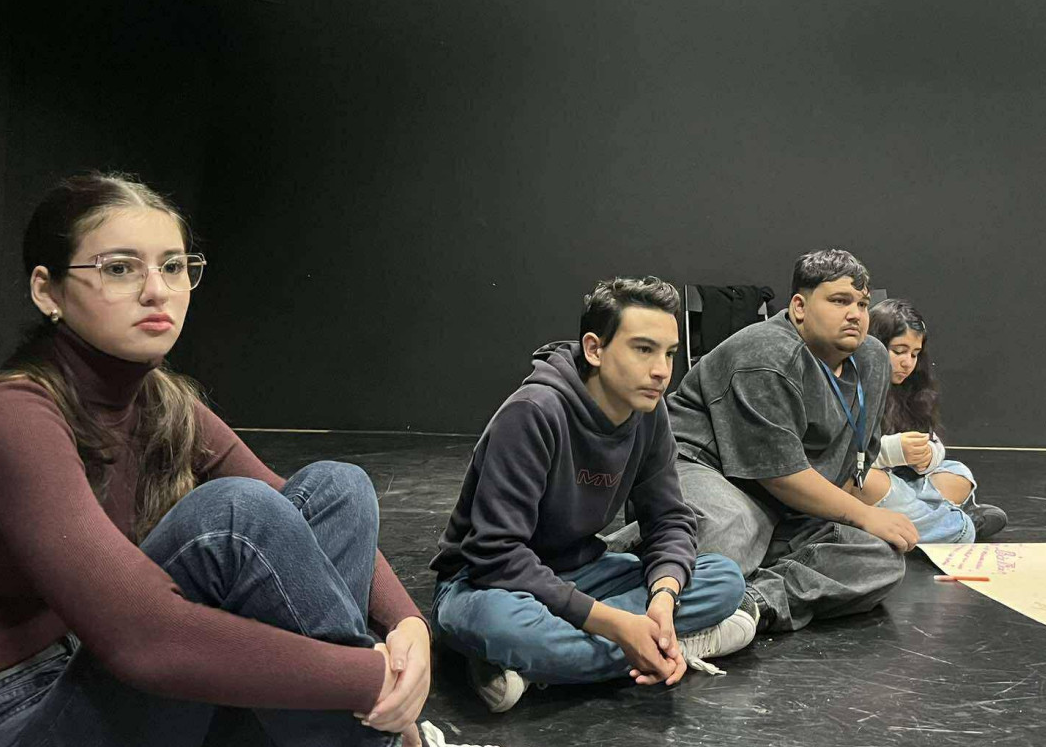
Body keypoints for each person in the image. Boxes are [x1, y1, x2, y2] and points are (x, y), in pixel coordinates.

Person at [0, 173, 548, 747]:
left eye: (173, 266)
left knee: (336, 489)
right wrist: (371, 676)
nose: (157, 289)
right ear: (47, 290)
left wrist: (408, 624)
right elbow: (141, 640)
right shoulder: (10, 419)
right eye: (120, 268)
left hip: (117, 716)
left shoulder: (157, 400)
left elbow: (301, 513)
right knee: (235, 516)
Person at [430, 277, 755, 713]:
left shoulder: (649, 412)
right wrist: (615, 624)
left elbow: (669, 519)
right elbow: (495, 554)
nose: (662, 371)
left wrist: (664, 596)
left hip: (582, 572)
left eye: (669, 353)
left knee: (724, 579)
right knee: (500, 624)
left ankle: (535, 667)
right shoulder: (532, 413)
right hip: (486, 585)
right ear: (594, 349)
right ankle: (669, 646)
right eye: (644, 349)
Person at [652, 249, 918, 634]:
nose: (855, 314)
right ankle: (653, 573)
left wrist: (861, 521)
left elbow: (853, 462)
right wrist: (865, 515)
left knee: (879, 558)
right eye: (839, 301)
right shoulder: (765, 353)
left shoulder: (873, 359)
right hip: (703, 468)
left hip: (781, 507)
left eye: (862, 304)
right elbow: (779, 475)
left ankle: (751, 606)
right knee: (734, 527)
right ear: (799, 307)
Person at [866, 299, 1007, 543]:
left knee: (959, 474)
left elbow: (931, 439)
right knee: (867, 483)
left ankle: (915, 518)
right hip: (874, 480)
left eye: (914, 354)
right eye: (898, 351)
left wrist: (929, 455)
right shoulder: (855, 386)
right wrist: (891, 451)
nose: (907, 362)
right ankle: (955, 526)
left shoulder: (911, 390)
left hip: (902, 484)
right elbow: (845, 460)